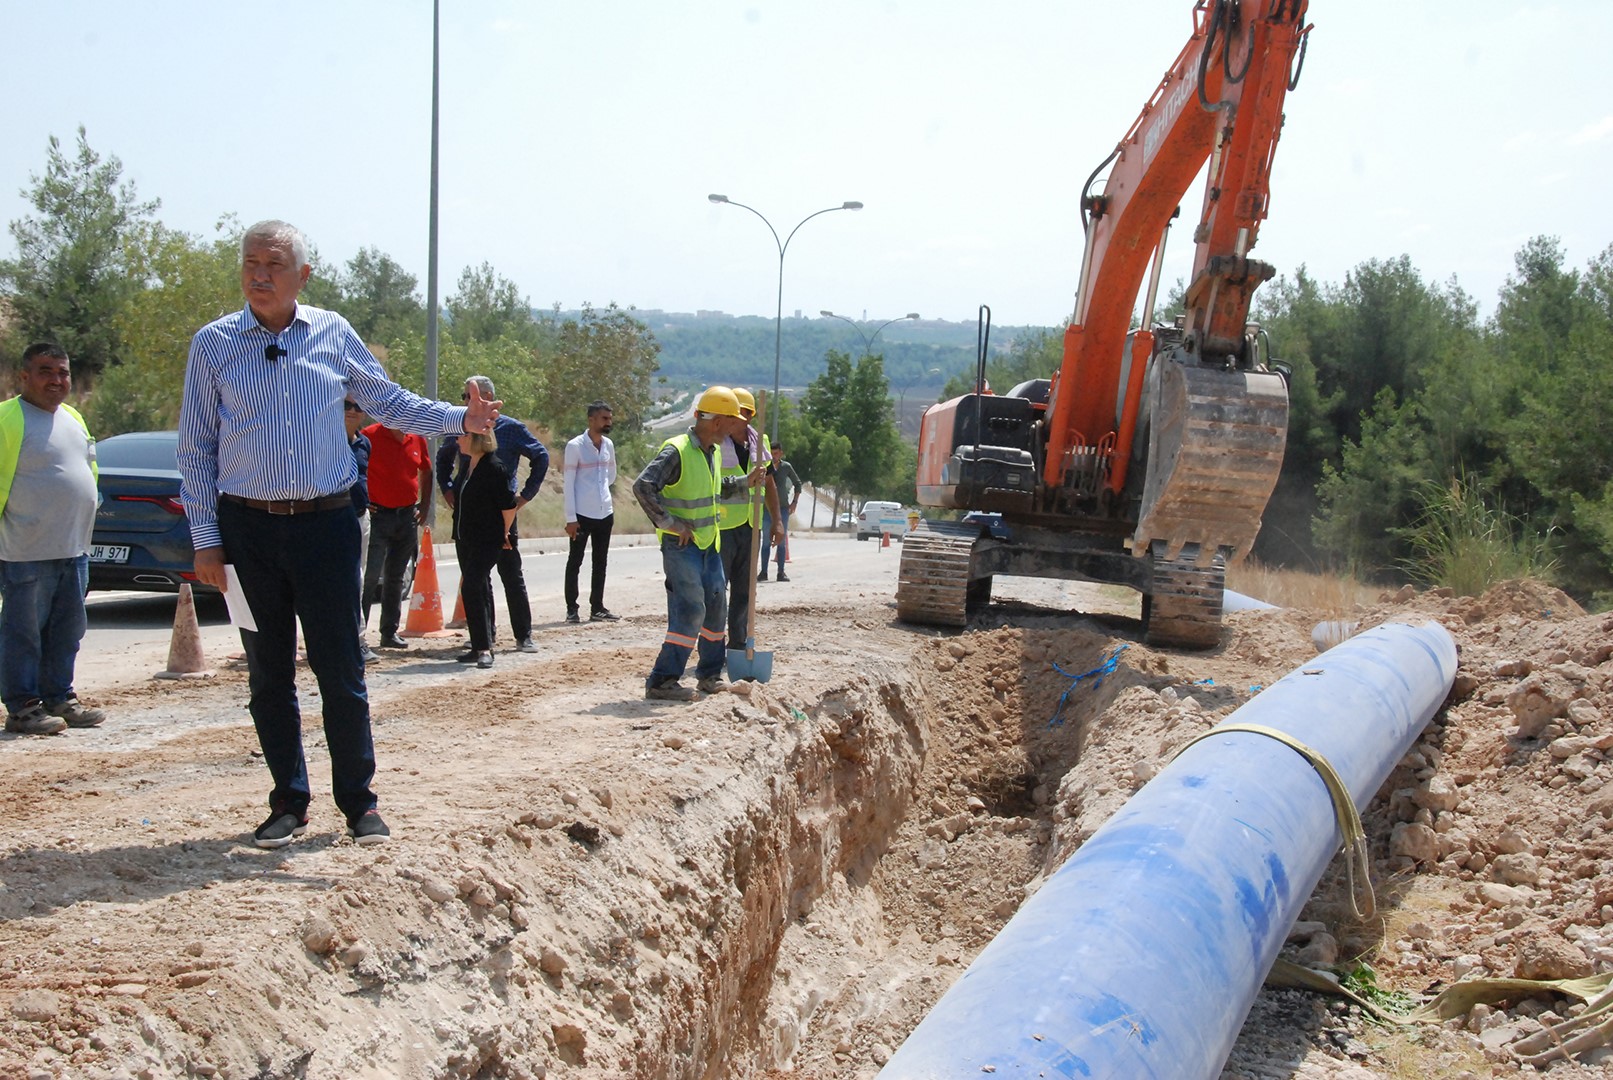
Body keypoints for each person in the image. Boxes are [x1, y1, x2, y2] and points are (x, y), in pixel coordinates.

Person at [177, 219, 500, 849]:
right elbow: (196, 452)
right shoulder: (212, 345)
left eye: (273, 264)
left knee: (340, 668)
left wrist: (458, 417)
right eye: (249, 264)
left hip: (326, 527)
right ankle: (288, 802)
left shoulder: (331, 333)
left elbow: (389, 404)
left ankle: (358, 802)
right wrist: (206, 539)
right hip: (247, 531)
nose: (259, 275)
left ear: (303, 275)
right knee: (267, 674)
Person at [0, 343, 105, 736]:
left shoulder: (73, 417)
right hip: (25, 553)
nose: (57, 380)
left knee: (67, 631)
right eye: (46, 371)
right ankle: (23, 707)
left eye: (62, 372)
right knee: (22, 633)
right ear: (24, 376)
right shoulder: (7, 420)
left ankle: (60, 697)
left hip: (73, 549)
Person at [633, 386, 755, 702]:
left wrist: (745, 482)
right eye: (732, 421)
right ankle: (662, 680)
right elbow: (643, 487)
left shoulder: (710, 452)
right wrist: (670, 523)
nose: (735, 427)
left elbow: (713, 493)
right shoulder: (678, 450)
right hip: (681, 548)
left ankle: (709, 675)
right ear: (717, 422)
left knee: (716, 610)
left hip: (707, 545)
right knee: (690, 611)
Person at [436, 375, 548, 652]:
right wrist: (449, 488)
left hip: (500, 512)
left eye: (469, 397)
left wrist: (524, 496)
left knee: (511, 573)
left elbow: (541, 456)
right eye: (464, 397)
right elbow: (442, 458)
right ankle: (484, 637)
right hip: (469, 511)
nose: (465, 402)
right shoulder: (461, 425)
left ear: (486, 397)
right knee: (475, 578)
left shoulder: (510, 428)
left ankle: (524, 635)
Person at [716, 388, 782, 654]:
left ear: (750, 415)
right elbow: (711, 487)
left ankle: (738, 644)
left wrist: (777, 521)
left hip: (751, 527)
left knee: (745, 590)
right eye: (732, 413)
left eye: (741, 413)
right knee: (717, 591)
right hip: (723, 527)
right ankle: (712, 645)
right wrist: (744, 483)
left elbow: (769, 483)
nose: (736, 418)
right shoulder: (717, 443)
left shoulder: (759, 441)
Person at [361, 420, 432, 651]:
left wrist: (425, 505)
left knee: (396, 577)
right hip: (378, 516)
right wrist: (361, 499)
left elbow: (426, 469)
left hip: (406, 516)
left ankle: (389, 632)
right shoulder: (369, 436)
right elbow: (354, 466)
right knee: (369, 578)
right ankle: (357, 636)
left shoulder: (416, 436)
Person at [450, 429, 516, 669]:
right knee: (474, 589)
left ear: (475, 438)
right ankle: (479, 644)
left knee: (472, 586)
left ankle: (485, 648)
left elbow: (508, 506)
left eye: (462, 435)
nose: (458, 440)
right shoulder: (468, 465)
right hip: (465, 538)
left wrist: (505, 532)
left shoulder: (495, 468)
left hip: (487, 539)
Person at [562, 400, 618, 624]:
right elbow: (568, 484)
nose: (608, 423)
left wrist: (600, 493)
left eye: (610, 418)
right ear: (591, 419)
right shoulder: (575, 446)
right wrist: (571, 518)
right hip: (582, 515)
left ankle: (597, 607)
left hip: (605, 511)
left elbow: (611, 475)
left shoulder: (608, 445)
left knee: (600, 561)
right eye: (604, 418)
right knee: (575, 561)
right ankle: (571, 609)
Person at [344, 398, 377, 664]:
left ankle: (358, 640)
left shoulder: (364, 442)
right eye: (347, 405)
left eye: (358, 406)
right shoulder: (326, 440)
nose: (353, 411)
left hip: (359, 517)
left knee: (358, 579)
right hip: (330, 519)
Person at [758, 442, 801, 583]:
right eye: (771, 453)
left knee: (781, 542)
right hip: (766, 509)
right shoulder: (764, 467)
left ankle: (781, 572)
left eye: (776, 453)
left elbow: (797, 483)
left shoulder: (786, 467)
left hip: (782, 508)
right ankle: (763, 572)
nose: (774, 456)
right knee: (765, 542)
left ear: (781, 453)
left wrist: (794, 502)